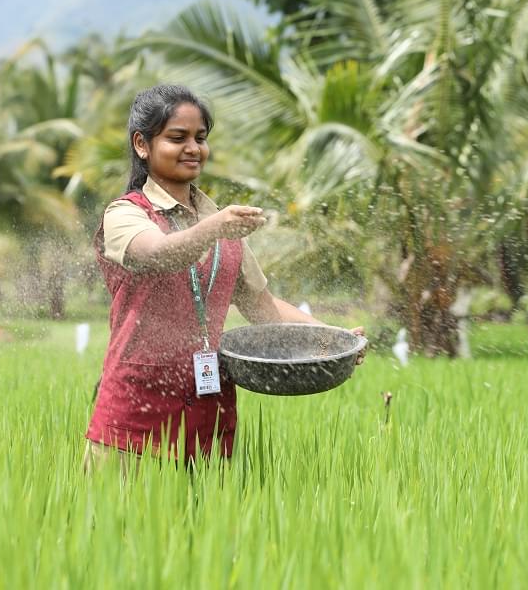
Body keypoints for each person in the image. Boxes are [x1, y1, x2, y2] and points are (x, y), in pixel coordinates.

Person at [84, 84, 364, 470]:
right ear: (142, 144)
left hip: (208, 412)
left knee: (208, 527)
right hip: (134, 418)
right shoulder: (127, 215)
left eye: (200, 138)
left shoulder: (219, 223)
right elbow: (159, 254)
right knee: (120, 527)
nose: (193, 148)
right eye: (177, 137)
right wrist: (213, 227)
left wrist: (332, 338)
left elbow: (263, 308)